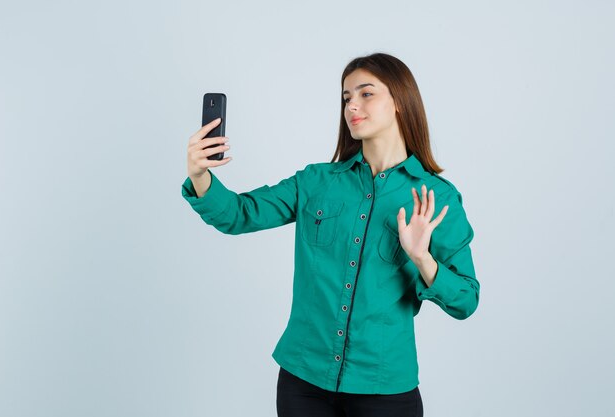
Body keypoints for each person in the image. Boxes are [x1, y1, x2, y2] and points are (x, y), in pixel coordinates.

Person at [181, 52, 480, 417]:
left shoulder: (436, 197)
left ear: (400, 101)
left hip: (384, 389)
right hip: (302, 382)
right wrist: (200, 176)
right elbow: (239, 215)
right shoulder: (316, 181)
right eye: (346, 97)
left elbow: (465, 299)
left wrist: (422, 258)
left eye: (366, 93)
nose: (352, 104)